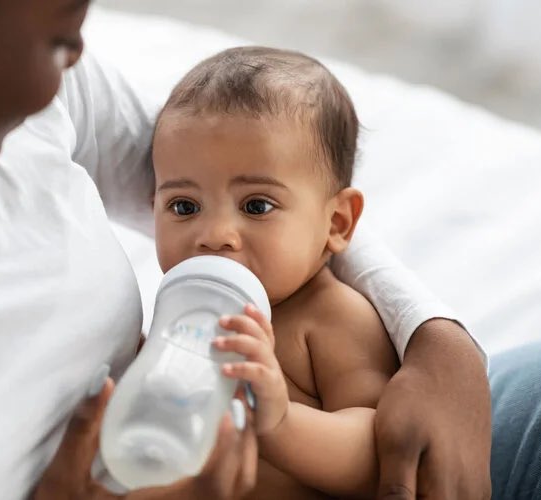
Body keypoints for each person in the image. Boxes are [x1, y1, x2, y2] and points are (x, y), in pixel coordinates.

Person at [0, 0, 506, 498]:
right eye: (58, 40)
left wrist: (437, 339)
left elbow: (274, 176)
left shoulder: (34, 107)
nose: (78, 60)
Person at [150, 46, 398, 498]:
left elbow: (375, 455)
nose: (216, 235)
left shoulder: (334, 317)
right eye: (184, 206)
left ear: (337, 222)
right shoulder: (183, 313)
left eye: (256, 206)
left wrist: (281, 421)